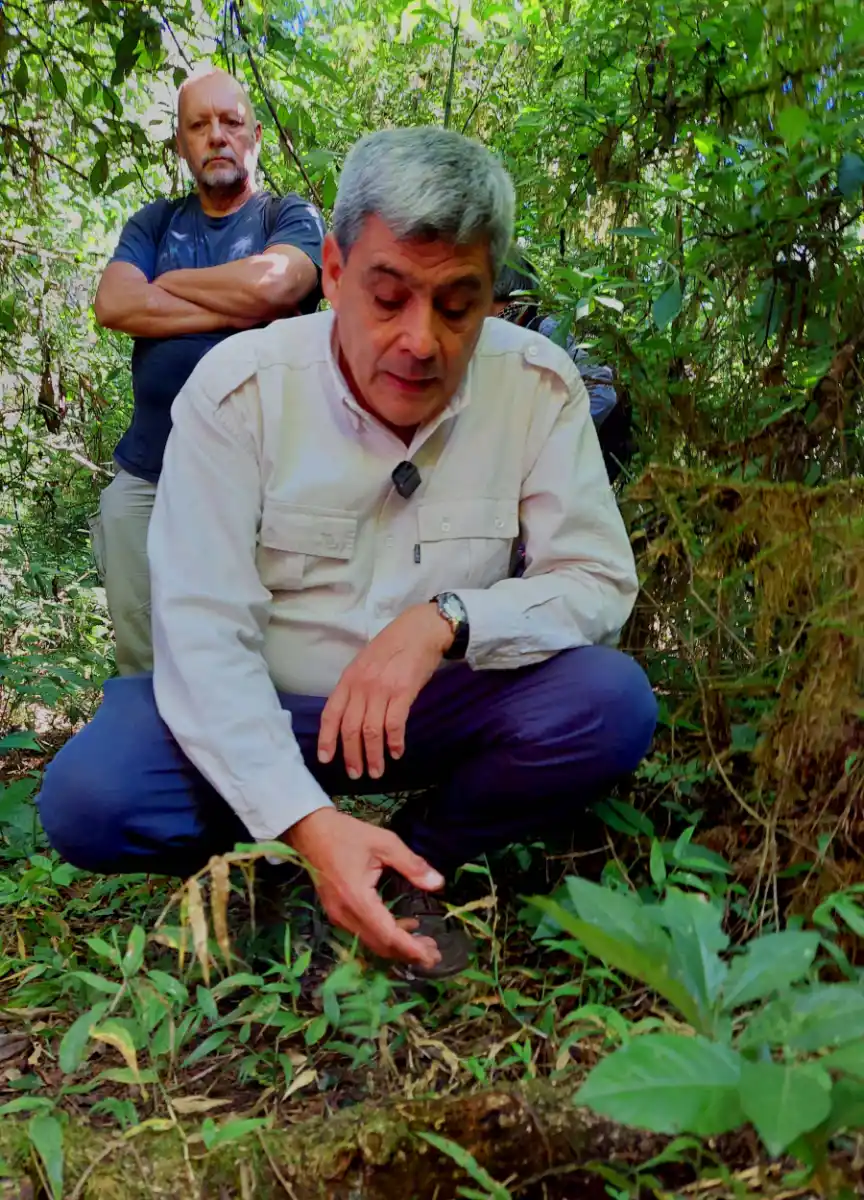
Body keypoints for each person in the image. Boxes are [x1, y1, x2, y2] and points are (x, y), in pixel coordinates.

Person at [39, 128, 657, 980]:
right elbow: (203, 632)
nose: (420, 341)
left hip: (432, 709)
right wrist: (304, 816)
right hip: (274, 708)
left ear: (492, 301)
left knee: (607, 701)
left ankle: (411, 864)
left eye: (456, 305)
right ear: (332, 273)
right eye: (389, 295)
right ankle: (292, 862)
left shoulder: (538, 388)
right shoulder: (238, 391)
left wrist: (446, 621)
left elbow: (594, 580)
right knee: (92, 794)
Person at [91, 66, 326, 675]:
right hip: (149, 473)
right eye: (199, 125)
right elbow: (115, 304)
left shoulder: (288, 216)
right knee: (142, 653)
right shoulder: (154, 223)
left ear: (254, 136)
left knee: (253, 650)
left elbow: (280, 283)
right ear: (181, 144)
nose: (216, 136)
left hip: (265, 478)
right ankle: (156, 750)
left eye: (230, 122)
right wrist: (240, 307)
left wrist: (167, 287)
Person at [492, 254, 633, 484]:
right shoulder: (507, 350)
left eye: (490, 304)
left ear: (516, 303)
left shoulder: (546, 331)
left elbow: (602, 394)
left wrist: (546, 447)